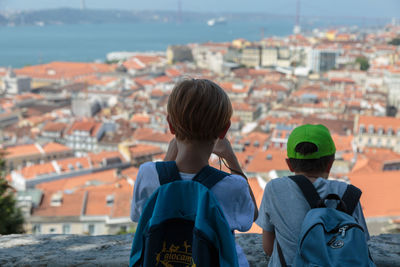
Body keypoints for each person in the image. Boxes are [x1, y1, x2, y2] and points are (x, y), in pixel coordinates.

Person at [130, 78, 258, 266]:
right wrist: (231, 158)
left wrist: (169, 158)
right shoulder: (232, 185)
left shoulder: (147, 173)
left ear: (170, 125)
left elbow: (140, 215)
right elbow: (250, 216)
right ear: (224, 130)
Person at [256, 124, 370, 266]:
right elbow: (361, 244)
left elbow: (268, 247)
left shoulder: (274, 189)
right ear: (330, 163)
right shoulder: (348, 194)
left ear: (289, 164)